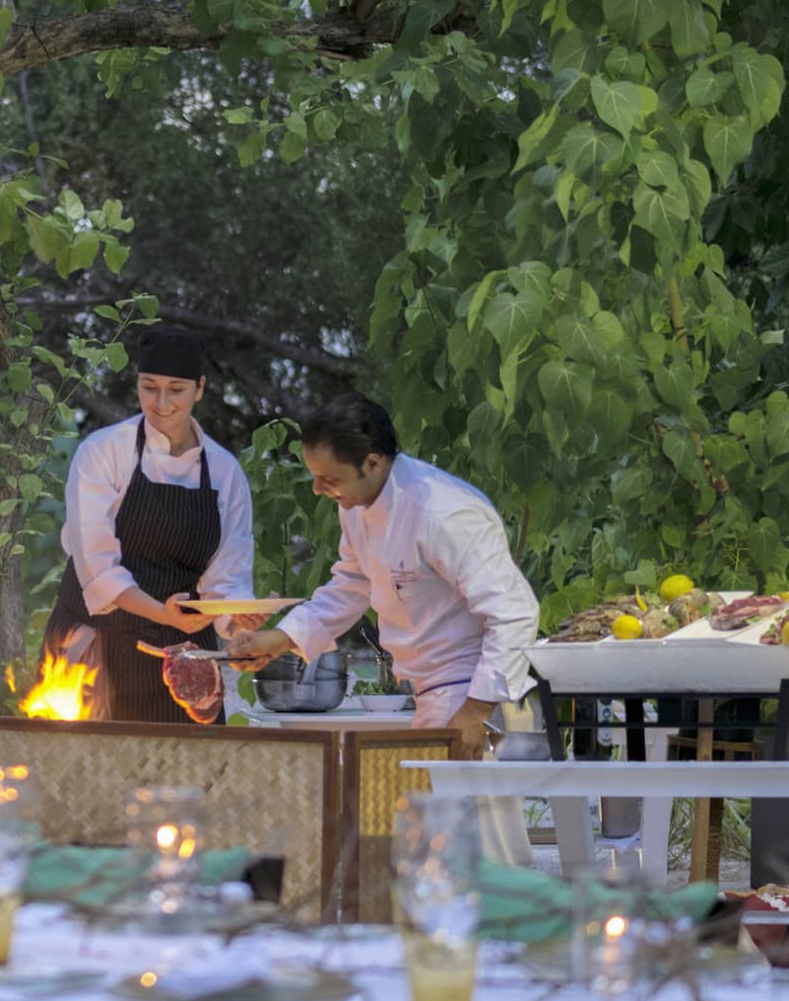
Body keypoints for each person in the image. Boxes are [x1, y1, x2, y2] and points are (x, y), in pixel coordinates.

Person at [229, 392, 539, 862]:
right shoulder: (354, 504)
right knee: (434, 857)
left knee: (484, 861)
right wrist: (282, 638)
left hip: (476, 695)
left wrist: (476, 713)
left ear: (373, 463)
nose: (318, 490)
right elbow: (352, 583)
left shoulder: (441, 511)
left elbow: (515, 612)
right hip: (433, 696)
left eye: (328, 479)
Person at [43, 323, 256, 722]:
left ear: (200, 388)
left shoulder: (225, 472)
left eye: (176, 389)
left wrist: (238, 620)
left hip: (183, 657)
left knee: (188, 778)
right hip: (97, 651)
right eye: (149, 387)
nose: (161, 403)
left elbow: (227, 577)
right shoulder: (103, 453)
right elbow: (97, 570)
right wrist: (163, 613)